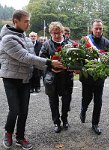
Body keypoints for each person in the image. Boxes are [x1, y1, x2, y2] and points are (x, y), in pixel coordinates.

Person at [0, 10, 64, 150]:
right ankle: (8, 133)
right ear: (15, 21)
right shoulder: (7, 39)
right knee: (15, 109)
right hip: (11, 79)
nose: (28, 24)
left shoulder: (26, 38)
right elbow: (25, 57)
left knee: (24, 110)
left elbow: (33, 59)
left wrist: (48, 69)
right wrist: (49, 63)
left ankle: (20, 137)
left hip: (25, 79)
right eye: (26, 21)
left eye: (29, 20)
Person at [40, 22, 74, 133]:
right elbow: (41, 60)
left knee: (66, 101)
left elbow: (75, 60)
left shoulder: (69, 43)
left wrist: (69, 66)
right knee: (53, 101)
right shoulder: (46, 45)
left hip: (66, 78)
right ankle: (56, 122)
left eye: (59, 33)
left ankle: (65, 119)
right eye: (54, 33)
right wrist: (51, 66)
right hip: (52, 78)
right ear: (50, 33)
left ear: (63, 32)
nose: (57, 35)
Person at [79, 19, 109, 135]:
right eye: (96, 28)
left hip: (99, 77)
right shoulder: (85, 40)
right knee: (86, 99)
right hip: (87, 77)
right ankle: (83, 110)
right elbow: (80, 58)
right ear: (92, 29)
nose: (98, 30)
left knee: (98, 101)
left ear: (102, 29)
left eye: (100, 28)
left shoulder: (107, 43)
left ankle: (95, 124)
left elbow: (108, 60)